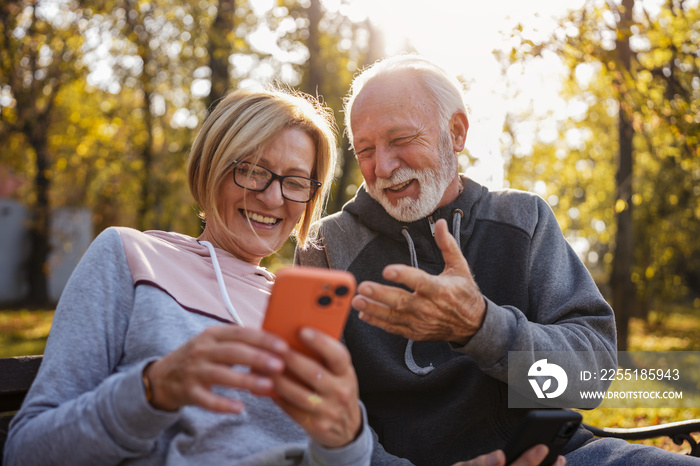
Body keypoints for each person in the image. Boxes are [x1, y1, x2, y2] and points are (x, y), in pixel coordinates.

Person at [296, 54, 700, 465]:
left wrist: (481, 327)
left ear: (455, 132)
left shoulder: (524, 219)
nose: (382, 166)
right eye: (365, 149)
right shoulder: (327, 248)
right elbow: (315, 411)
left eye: (400, 140)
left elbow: (588, 380)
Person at [4, 88, 374, 466]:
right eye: (250, 170)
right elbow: (26, 451)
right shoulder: (131, 256)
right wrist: (151, 390)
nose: (273, 197)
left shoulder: (302, 306)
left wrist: (348, 442)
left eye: (295, 182)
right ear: (210, 168)